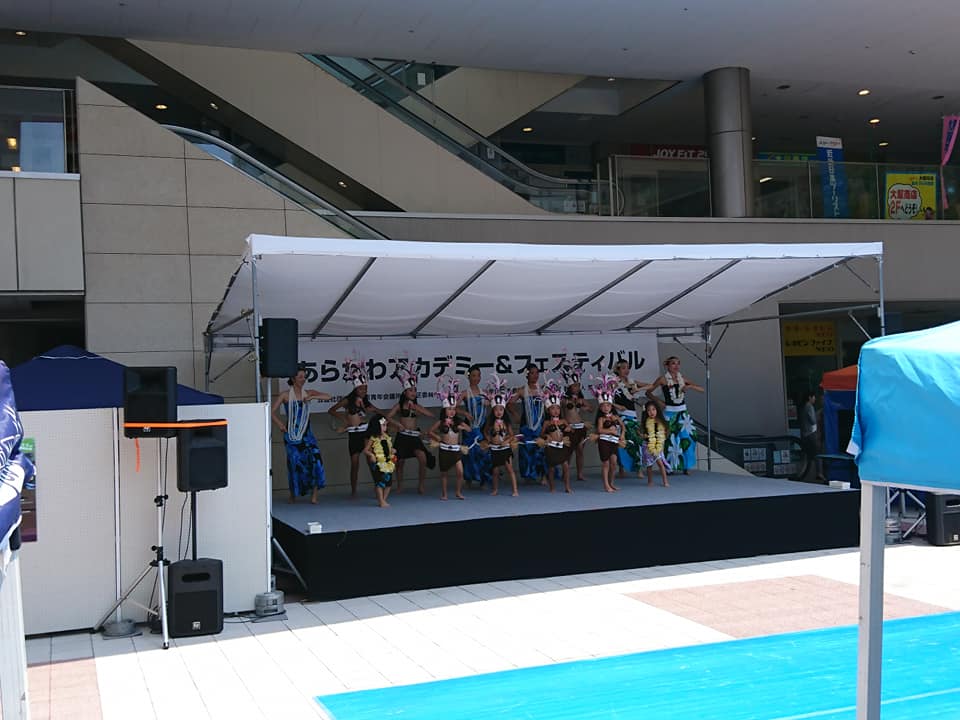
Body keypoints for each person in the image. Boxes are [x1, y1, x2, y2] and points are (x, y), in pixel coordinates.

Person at [328, 357, 388, 497]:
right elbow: (332, 410)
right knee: (354, 463)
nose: (363, 391)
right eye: (361, 388)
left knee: (371, 460)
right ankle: (354, 491)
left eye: (365, 388)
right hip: (353, 433)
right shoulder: (348, 400)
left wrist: (374, 411)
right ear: (355, 388)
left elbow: (377, 412)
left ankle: (378, 488)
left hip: (365, 432)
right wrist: (345, 420)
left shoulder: (365, 401)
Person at [271, 365, 331, 504]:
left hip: (307, 433)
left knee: (315, 460)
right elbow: (271, 411)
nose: (303, 379)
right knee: (294, 463)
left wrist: (313, 397)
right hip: (292, 434)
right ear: (293, 378)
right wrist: (280, 425)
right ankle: (293, 494)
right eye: (300, 377)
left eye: (304, 377)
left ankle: (314, 495)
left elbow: (329, 396)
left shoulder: (308, 392)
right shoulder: (285, 395)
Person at [647, 356, 704, 474]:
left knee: (688, 438)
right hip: (669, 412)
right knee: (670, 440)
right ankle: (669, 466)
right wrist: (659, 402)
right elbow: (648, 392)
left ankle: (686, 466)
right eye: (673, 363)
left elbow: (701, 389)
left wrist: (690, 386)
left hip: (683, 413)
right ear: (667, 365)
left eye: (678, 363)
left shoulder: (682, 378)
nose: (676, 366)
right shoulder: (663, 379)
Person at [386, 359, 434, 494]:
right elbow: (387, 417)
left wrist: (417, 409)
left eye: (415, 390)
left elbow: (430, 415)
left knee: (422, 458)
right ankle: (400, 486)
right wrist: (397, 424)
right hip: (402, 436)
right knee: (399, 462)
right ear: (405, 392)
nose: (413, 393)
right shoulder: (399, 406)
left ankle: (421, 485)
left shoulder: (416, 406)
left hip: (414, 436)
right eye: (410, 390)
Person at [428, 377, 472, 500]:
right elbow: (429, 431)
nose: (452, 411)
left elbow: (469, 429)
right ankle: (444, 494)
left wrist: (462, 427)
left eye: (453, 409)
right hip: (444, 449)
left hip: (456, 450)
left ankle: (458, 492)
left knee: (460, 472)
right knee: (444, 473)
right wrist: (437, 437)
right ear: (445, 410)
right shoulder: (441, 422)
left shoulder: (458, 421)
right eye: (449, 409)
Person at [613, 358, 653, 477]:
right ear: (617, 369)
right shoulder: (613, 383)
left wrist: (638, 389)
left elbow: (651, 385)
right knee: (623, 442)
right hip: (621, 416)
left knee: (637, 441)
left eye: (628, 368)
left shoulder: (632, 382)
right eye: (623, 368)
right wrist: (617, 406)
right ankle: (622, 467)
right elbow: (604, 399)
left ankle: (638, 468)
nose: (626, 370)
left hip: (633, 415)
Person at [482, 374, 518, 497]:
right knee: (495, 471)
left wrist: (506, 441)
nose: (499, 412)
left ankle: (515, 490)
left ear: (504, 410)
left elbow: (512, 435)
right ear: (493, 411)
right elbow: (485, 431)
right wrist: (488, 439)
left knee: (509, 469)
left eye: (501, 410)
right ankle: (495, 489)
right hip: (494, 448)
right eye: (496, 410)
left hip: (505, 448)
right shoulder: (490, 422)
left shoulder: (506, 422)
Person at [511, 363, 546, 485]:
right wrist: (515, 415)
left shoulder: (543, 390)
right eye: (532, 373)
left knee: (541, 449)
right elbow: (509, 403)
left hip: (540, 423)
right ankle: (528, 474)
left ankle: (543, 475)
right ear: (527, 375)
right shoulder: (522, 390)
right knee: (526, 449)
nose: (535, 375)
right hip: (526, 424)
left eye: (537, 373)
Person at [560, 355, 591, 482]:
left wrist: (583, 406)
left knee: (580, 451)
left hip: (580, 426)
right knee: (568, 452)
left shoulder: (580, 399)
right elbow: (560, 412)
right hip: (569, 427)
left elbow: (590, 408)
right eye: (574, 386)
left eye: (578, 386)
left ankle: (580, 473)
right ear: (569, 387)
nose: (577, 388)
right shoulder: (564, 399)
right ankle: (565, 473)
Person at [460, 364, 492, 489]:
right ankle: (468, 478)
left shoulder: (484, 393)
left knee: (483, 452)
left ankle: (483, 479)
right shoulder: (465, 393)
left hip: (482, 427)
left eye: (478, 376)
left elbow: (493, 405)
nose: (476, 378)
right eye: (473, 376)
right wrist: (464, 413)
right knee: (469, 454)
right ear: (469, 377)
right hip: (469, 427)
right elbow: (453, 407)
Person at [589, 374, 622, 493]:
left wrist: (622, 435)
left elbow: (622, 426)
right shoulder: (601, 419)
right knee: (606, 464)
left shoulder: (615, 417)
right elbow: (599, 430)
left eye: (608, 405)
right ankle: (606, 485)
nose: (606, 408)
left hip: (614, 441)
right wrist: (610, 431)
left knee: (614, 463)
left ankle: (611, 483)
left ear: (611, 406)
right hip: (604, 442)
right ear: (600, 407)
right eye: (603, 406)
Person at [540, 379, 572, 493]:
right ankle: (552, 487)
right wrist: (546, 437)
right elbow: (542, 434)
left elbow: (570, 430)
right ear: (548, 410)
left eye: (557, 408)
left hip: (562, 445)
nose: (556, 411)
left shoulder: (563, 421)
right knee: (551, 468)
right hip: (551, 446)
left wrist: (568, 430)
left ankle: (567, 486)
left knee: (566, 466)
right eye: (553, 408)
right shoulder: (546, 423)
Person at [363, 414, 396, 508]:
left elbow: (389, 448)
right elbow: (365, 450)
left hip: (388, 462)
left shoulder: (387, 437)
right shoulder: (373, 438)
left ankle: (383, 499)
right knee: (379, 482)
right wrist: (371, 455)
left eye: (386, 425)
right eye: (383, 425)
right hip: (377, 463)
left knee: (388, 483)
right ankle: (381, 501)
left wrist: (392, 450)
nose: (385, 427)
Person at [641, 401, 670, 487]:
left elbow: (666, 432)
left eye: (653, 409)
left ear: (657, 410)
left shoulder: (661, 422)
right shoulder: (645, 422)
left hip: (658, 446)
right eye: (649, 410)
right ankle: (650, 481)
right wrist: (643, 435)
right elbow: (640, 432)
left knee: (660, 463)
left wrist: (663, 437)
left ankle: (665, 481)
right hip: (647, 445)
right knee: (649, 465)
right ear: (646, 412)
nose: (651, 412)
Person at [800, 390, 824, 482]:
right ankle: (819, 473)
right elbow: (813, 420)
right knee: (818, 453)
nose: (815, 399)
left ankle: (809, 473)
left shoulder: (804, 407)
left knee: (809, 454)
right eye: (814, 397)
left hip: (806, 433)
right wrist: (818, 416)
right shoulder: (809, 406)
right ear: (810, 397)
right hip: (811, 433)